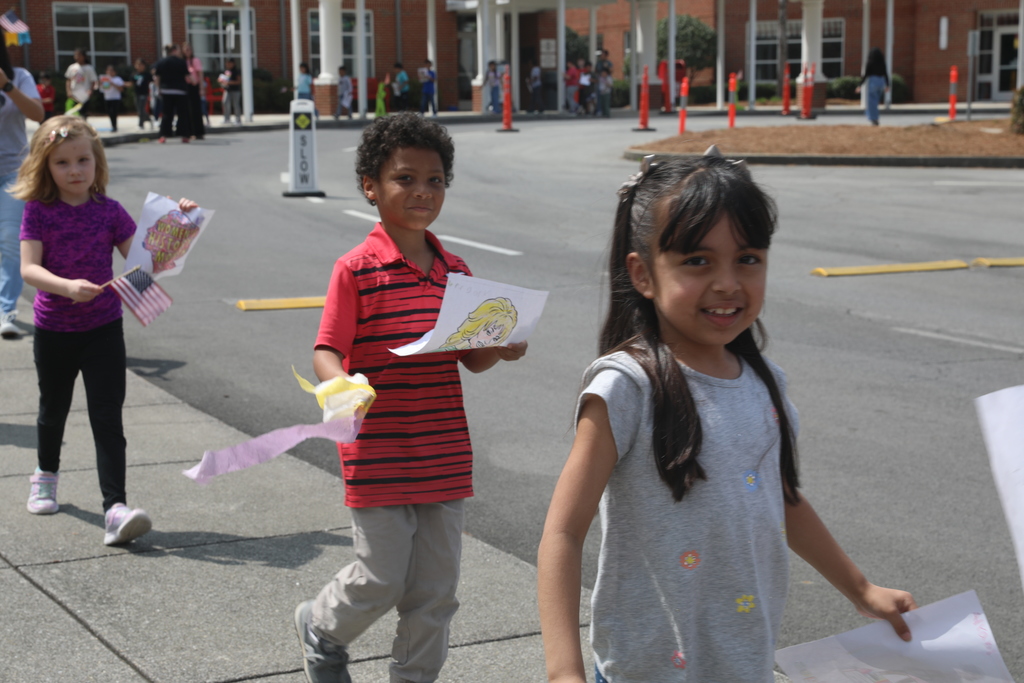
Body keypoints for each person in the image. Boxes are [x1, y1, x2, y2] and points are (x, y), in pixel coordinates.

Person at [537, 153, 917, 683]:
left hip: (741, 663)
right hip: (645, 672)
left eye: (748, 258)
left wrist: (861, 589)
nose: (727, 283)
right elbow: (563, 533)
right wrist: (564, 672)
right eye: (697, 261)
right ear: (643, 274)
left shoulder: (766, 383)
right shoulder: (627, 386)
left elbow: (779, 497)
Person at [293, 112, 528, 683]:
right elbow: (326, 350)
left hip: (444, 452)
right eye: (405, 178)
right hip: (377, 452)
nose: (422, 191)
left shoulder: (456, 272)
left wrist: (502, 344)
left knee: (435, 592)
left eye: (436, 179)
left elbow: (471, 358)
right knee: (381, 578)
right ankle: (322, 627)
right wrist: (341, 385)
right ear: (370, 186)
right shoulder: (355, 270)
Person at [13, 115, 197, 544]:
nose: (75, 170)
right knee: (52, 409)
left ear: (97, 162)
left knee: (107, 417)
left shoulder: (110, 211)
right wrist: (65, 286)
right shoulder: (38, 212)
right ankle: (45, 475)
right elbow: (28, 268)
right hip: (55, 328)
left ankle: (115, 508)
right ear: (46, 166)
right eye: (62, 162)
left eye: (83, 160)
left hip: (103, 329)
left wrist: (176, 222)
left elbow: (148, 261)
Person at [0, 38, 44, 340]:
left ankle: (6, 310)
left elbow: (38, 115)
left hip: (14, 172)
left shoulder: (19, 76)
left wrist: (6, 86)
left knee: (10, 241)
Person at [152, 44, 191, 143]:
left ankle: (163, 135)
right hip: (180, 91)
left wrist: (158, 89)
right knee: (182, 114)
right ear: (174, 50)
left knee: (166, 114)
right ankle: (184, 135)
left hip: (166, 90)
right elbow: (187, 76)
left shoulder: (162, 62)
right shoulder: (181, 62)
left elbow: (156, 77)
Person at [856, 47, 890, 126]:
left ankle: (874, 118)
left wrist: (859, 85)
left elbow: (866, 75)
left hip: (873, 82)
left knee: (872, 102)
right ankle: (874, 117)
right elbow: (885, 74)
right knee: (876, 101)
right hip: (881, 82)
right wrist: (887, 85)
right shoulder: (882, 63)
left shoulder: (870, 63)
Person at [64, 48, 98, 119]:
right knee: (72, 113)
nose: (77, 57)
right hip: (74, 95)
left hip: (84, 95)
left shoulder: (89, 68)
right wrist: (69, 91)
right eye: (76, 55)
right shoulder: (72, 67)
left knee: (82, 114)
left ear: (84, 56)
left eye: (79, 55)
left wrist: (91, 90)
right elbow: (68, 80)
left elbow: (93, 81)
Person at [182, 42, 206, 139]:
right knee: (185, 110)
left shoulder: (195, 60)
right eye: (186, 49)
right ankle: (187, 132)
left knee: (195, 109)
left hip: (194, 86)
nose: (188, 51)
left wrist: (201, 88)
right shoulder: (181, 62)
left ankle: (198, 132)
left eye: (189, 49)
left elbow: (200, 75)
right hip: (184, 87)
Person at [99, 64, 125, 133]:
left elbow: (121, 89)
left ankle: (114, 126)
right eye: (108, 70)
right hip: (107, 98)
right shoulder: (105, 79)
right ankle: (112, 125)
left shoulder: (117, 79)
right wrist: (101, 84)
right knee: (109, 112)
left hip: (115, 98)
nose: (110, 72)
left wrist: (112, 83)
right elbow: (103, 89)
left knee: (114, 112)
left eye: (112, 71)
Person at [132, 59, 153, 130]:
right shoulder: (134, 74)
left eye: (141, 65)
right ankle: (148, 119)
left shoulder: (147, 75)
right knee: (139, 110)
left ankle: (141, 124)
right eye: (138, 65)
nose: (139, 66)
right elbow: (131, 83)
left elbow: (152, 82)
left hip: (144, 94)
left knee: (141, 109)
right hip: (137, 93)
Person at [222, 58, 242, 125]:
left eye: (229, 63)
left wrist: (230, 82)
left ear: (233, 63)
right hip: (227, 90)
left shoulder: (236, 71)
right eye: (227, 63)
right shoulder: (227, 71)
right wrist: (222, 82)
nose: (228, 64)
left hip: (235, 90)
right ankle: (227, 118)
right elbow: (225, 80)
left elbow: (239, 81)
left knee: (236, 104)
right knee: (225, 102)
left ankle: (238, 119)